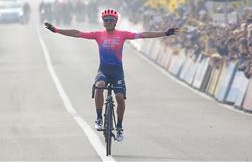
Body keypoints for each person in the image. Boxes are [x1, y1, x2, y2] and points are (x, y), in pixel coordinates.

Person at [44, 8, 178, 142]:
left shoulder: (123, 34)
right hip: (103, 70)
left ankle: (119, 127)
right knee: (99, 86)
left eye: (111, 20)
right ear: (103, 22)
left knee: (119, 98)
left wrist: (165, 33)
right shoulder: (98, 35)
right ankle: (99, 118)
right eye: (105, 20)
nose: (108, 22)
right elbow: (77, 33)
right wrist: (56, 30)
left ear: (115, 22)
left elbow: (143, 34)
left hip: (117, 72)